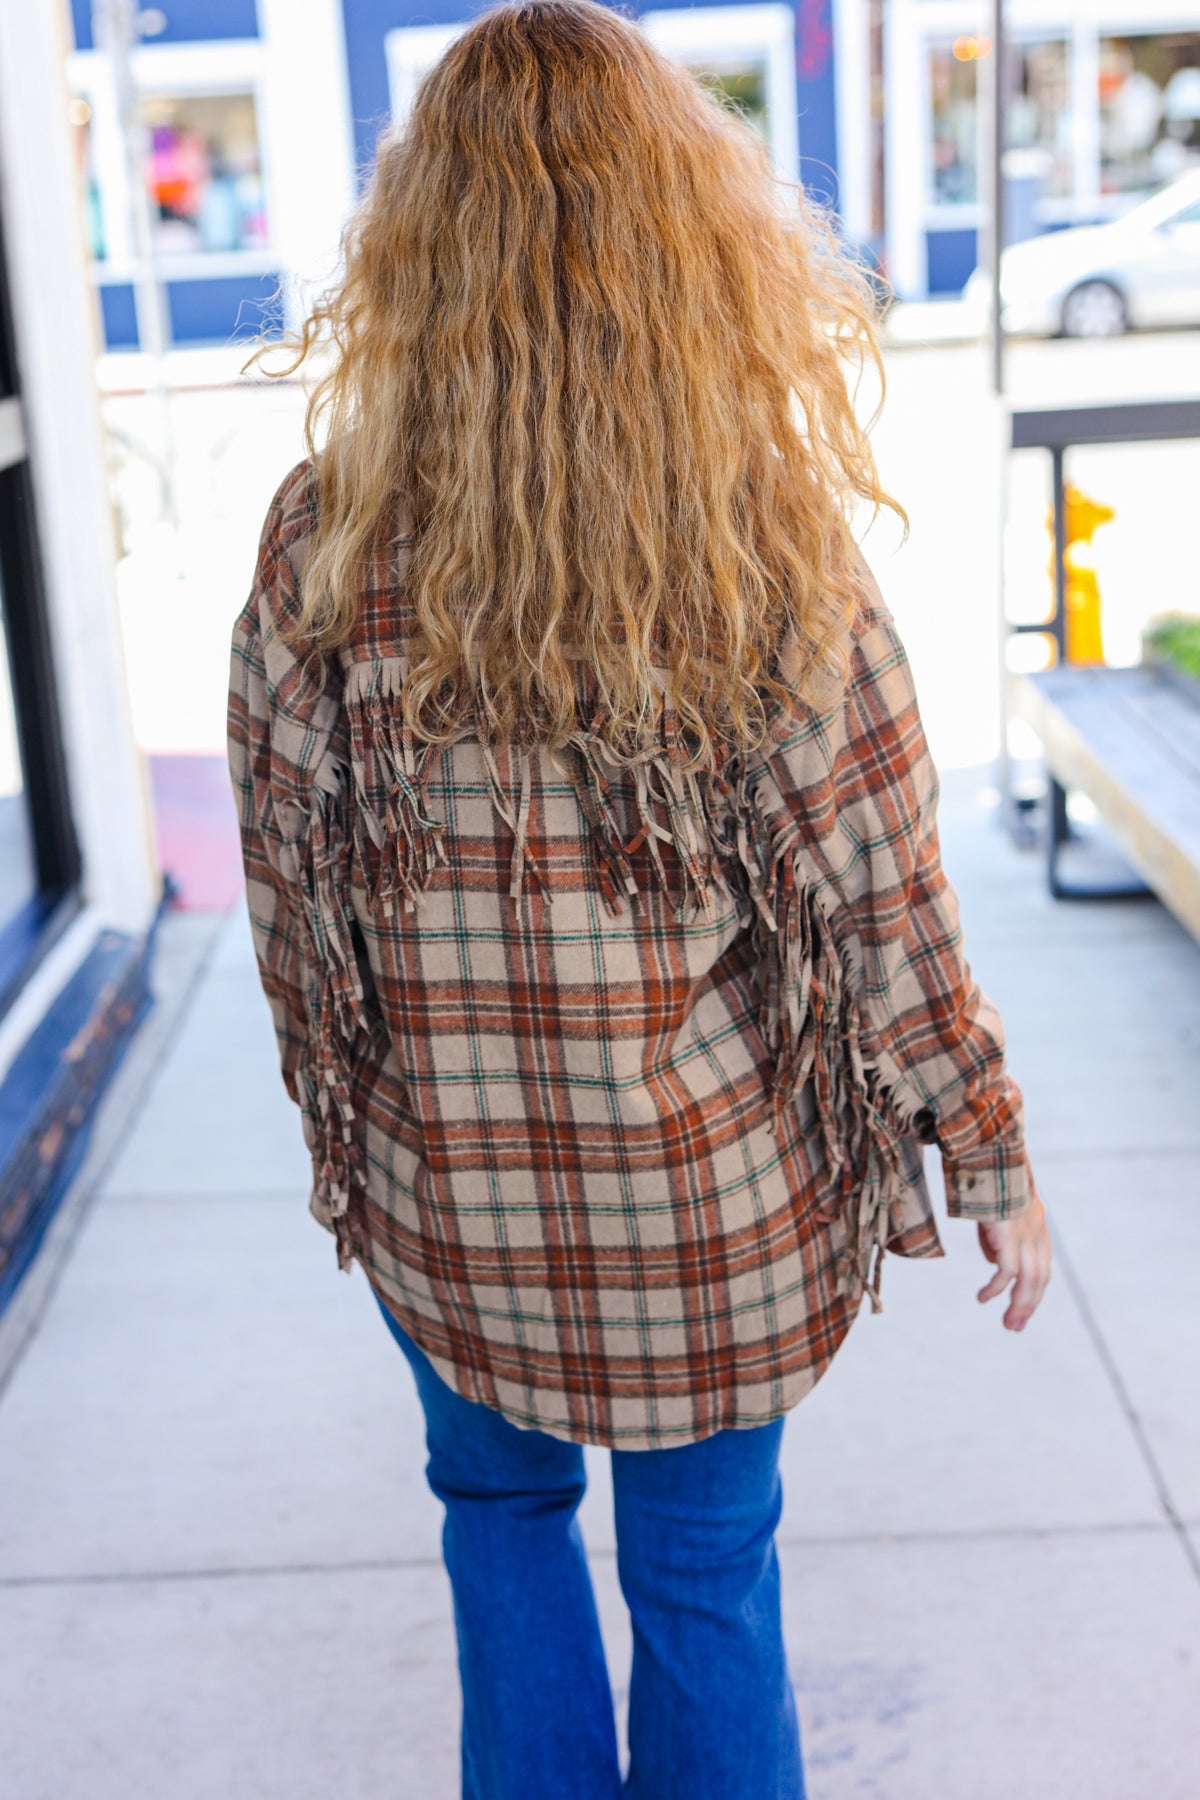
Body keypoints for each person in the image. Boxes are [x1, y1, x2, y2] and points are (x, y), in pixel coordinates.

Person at [226, 4, 1052, 1794]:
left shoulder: (326, 540)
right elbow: (884, 893)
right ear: (690, 239)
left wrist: (356, 1129)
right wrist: (983, 1147)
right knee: (704, 1572)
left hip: (455, 1204)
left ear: (421, 246)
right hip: (714, 1221)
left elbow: (291, 900)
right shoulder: (763, 541)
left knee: (496, 1515)